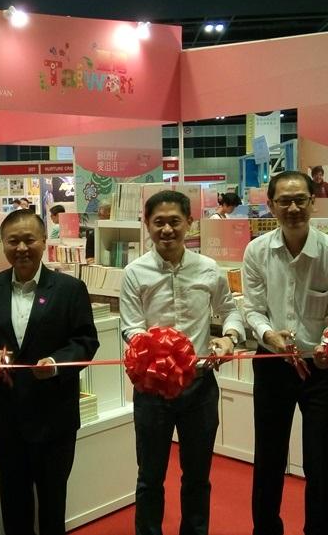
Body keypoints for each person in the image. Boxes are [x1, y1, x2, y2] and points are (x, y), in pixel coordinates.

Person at [0, 209, 99, 535]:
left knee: (53, 502)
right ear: (3, 245)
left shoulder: (70, 289)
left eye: (29, 240)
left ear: (43, 241)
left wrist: (56, 364)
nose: (22, 248)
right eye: (13, 241)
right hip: (5, 416)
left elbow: (85, 341)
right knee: (13, 498)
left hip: (54, 418)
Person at [120, 189, 245, 535]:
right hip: (153, 392)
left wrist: (229, 337)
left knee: (197, 476)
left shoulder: (208, 268)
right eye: (158, 222)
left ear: (190, 223)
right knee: (149, 477)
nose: (167, 230)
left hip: (199, 388)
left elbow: (231, 310)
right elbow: (131, 326)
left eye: (175, 221)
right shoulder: (134, 272)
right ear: (146, 224)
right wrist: (155, 353)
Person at [242, 170, 328, 535]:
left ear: (312, 202)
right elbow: (253, 308)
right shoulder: (257, 251)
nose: (293, 208)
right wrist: (267, 334)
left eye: (300, 200)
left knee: (321, 462)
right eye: (284, 201)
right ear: (271, 205)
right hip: (273, 362)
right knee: (268, 457)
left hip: (321, 369)